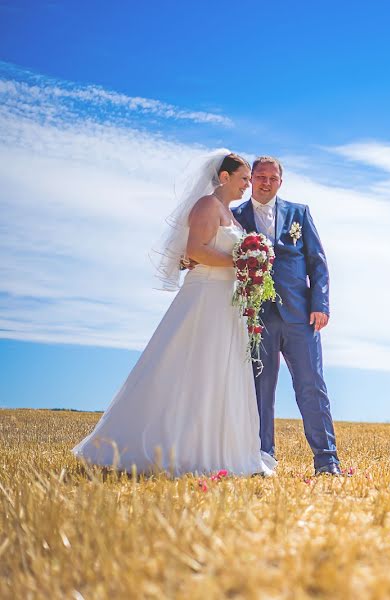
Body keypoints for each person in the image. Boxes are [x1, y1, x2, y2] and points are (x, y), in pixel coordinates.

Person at [73, 150, 276, 477]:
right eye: (242, 179)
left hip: (227, 302)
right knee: (192, 367)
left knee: (220, 371)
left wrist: (251, 266)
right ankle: (165, 447)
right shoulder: (207, 206)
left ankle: (222, 450)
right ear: (224, 178)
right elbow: (194, 250)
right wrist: (241, 263)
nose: (247, 184)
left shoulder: (230, 214)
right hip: (205, 297)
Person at [232, 156, 342, 475]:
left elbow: (317, 262)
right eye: (260, 177)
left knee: (312, 386)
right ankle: (263, 458)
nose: (266, 182)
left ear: (281, 181)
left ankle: (326, 460)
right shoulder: (235, 216)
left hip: (301, 317)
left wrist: (320, 304)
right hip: (256, 318)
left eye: (272, 178)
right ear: (251, 179)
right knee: (259, 389)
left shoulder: (299, 213)